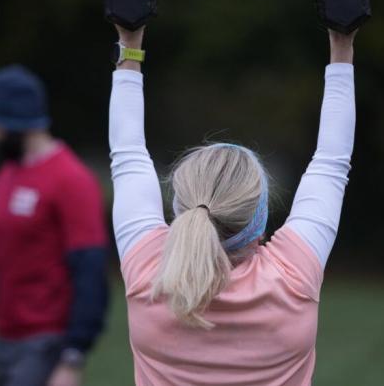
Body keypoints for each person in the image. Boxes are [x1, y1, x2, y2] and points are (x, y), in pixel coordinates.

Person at [108, 22, 357, 385]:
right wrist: (342, 44)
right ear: (258, 220)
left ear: (181, 208)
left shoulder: (149, 273)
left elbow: (127, 154)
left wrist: (128, 43)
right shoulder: (293, 278)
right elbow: (332, 162)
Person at [0, 65, 109, 386]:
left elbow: (90, 270)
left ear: (16, 124)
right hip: (5, 342)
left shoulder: (71, 180)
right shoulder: (4, 178)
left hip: (46, 345)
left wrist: (73, 357)